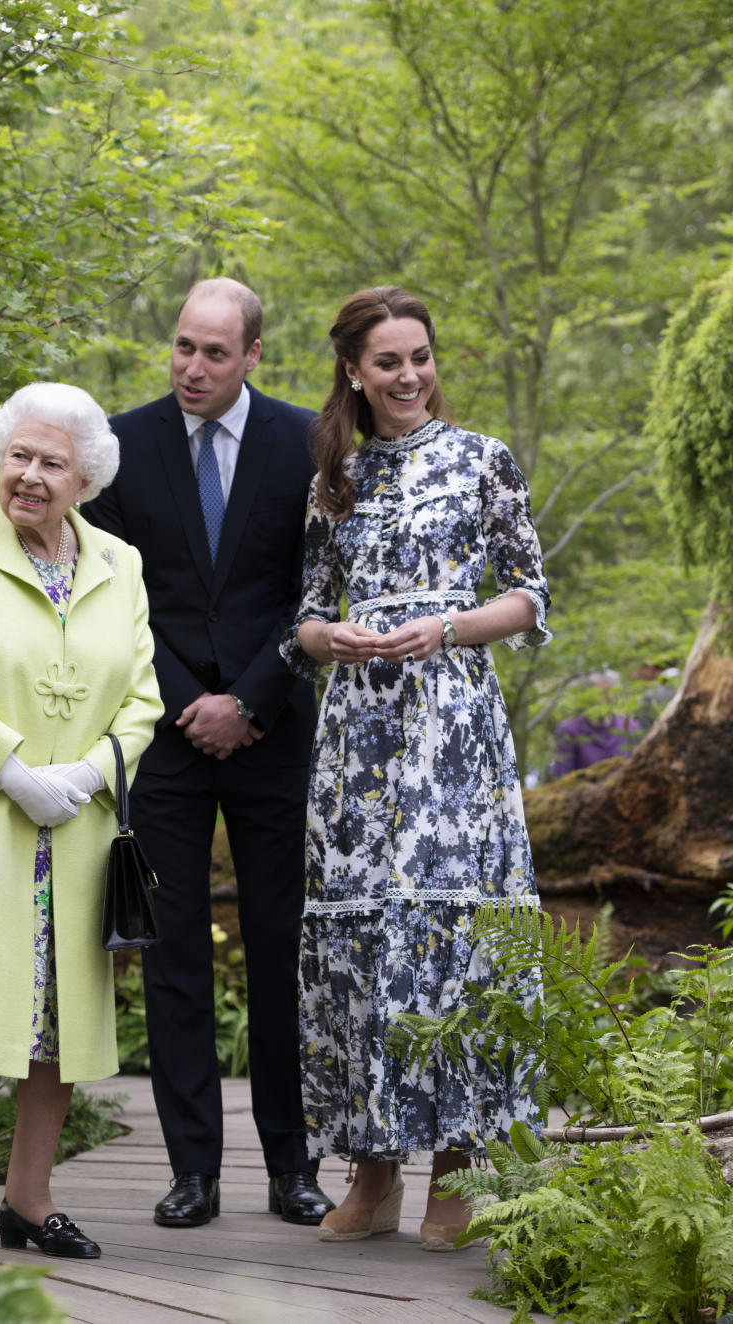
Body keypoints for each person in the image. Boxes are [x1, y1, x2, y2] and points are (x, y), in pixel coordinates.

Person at [279, 287, 551, 1250]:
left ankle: (457, 1168)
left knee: (453, 931)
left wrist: (446, 628)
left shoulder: (484, 461)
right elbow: (304, 616)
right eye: (388, 361)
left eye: (421, 357)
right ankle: (374, 1170)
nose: (408, 376)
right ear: (354, 369)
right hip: (359, 741)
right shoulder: (334, 478)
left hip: (451, 726)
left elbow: (527, 595)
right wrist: (331, 638)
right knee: (362, 940)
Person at [81, 277, 334, 1228]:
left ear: (254, 356)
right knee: (174, 955)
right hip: (168, 740)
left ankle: (292, 1169)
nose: (192, 368)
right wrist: (196, 704)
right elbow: (111, 597)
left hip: (275, 734)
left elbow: (317, 587)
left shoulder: (309, 444)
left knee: (281, 953)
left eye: (215, 353)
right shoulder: (122, 444)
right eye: (183, 347)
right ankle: (193, 1174)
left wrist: (253, 698)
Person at [0, 382, 163, 1262]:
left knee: (58, 1024)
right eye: (20, 455)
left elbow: (143, 698)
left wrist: (88, 775)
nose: (31, 476)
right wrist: (13, 772)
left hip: (77, 831)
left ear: (84, 477)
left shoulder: (119, 562)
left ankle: (27, 1198)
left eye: (52, 462)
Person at [548, 670, 636, 777]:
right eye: (600, 694)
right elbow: (562, 776)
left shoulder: (629, 727)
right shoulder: (569, 729)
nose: (605, 699)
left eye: (610, 693)